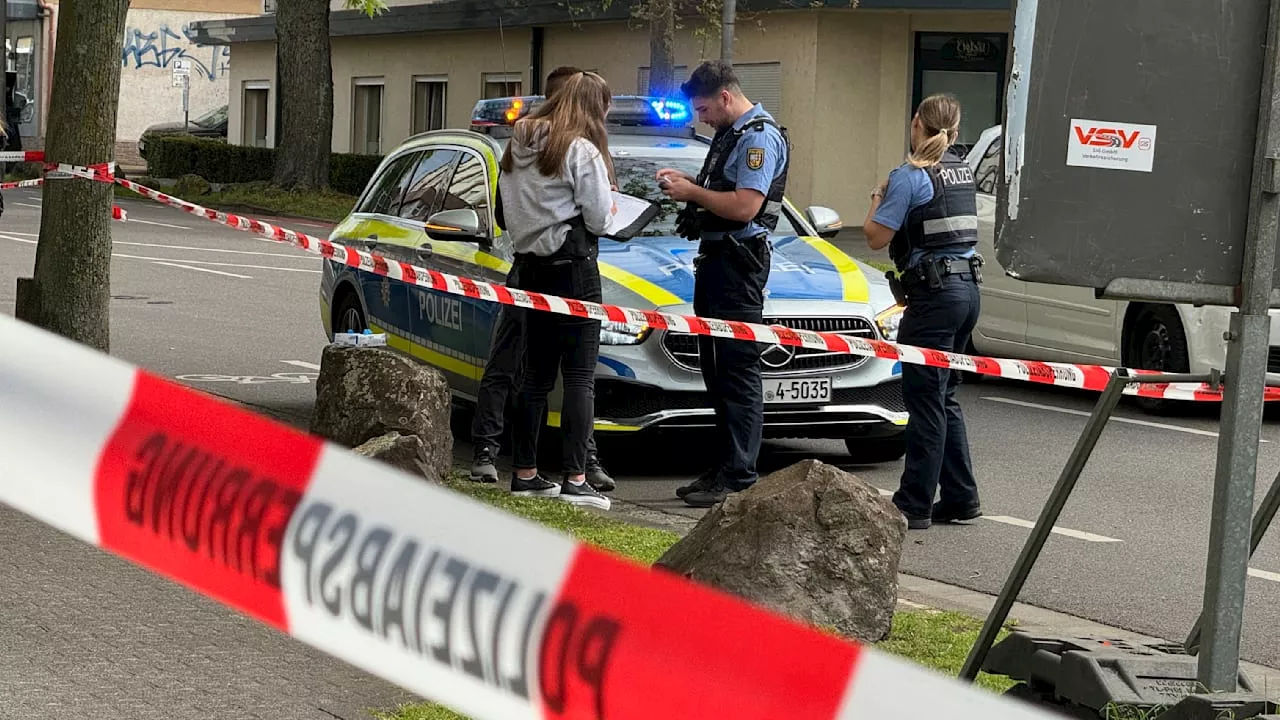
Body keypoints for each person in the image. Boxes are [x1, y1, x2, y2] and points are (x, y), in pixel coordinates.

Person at [469, 64, 616, 493]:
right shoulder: (581, 151)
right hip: (574, 270)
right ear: (591, 107)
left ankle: (526, 472)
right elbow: (598, 217)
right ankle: (576, 476)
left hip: (530, 269)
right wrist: (609, 211)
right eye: (603, 109)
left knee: (534, 378)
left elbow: (506, 209)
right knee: (579, 379)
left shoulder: (516, 145)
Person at [656, 60, 790, 509]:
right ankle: (726, 465)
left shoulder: (757, 138)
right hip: (718, 260)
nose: (702, 119)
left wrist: (694, 194)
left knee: (736, 369)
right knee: (717, 370)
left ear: (725, 98)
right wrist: (690, 184)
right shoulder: (732, 134)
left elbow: (744, 206)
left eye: (704, 109)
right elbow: (725, 191)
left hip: (737, 263)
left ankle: (739, 474)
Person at [862, 93, 983, 530]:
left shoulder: (910, 177)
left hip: (934, 297)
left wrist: (878, 195)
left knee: (925, 401)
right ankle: (960, 497)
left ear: (917, 123)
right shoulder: (961, 170)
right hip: (966, 292)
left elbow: (875, 237)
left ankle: (913, 503)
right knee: (944, 397)